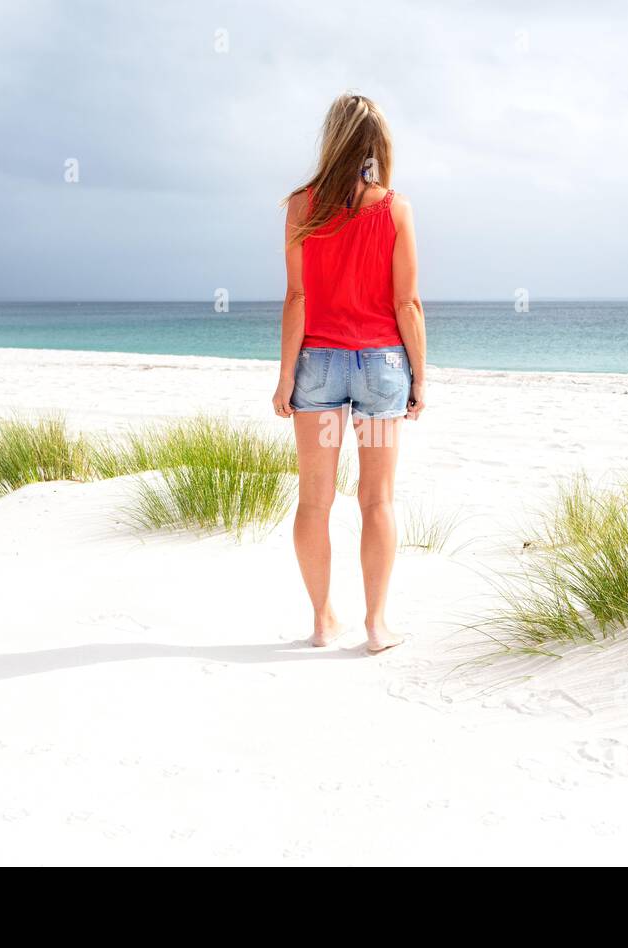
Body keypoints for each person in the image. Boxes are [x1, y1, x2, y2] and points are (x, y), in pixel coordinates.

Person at [271, 92, 427, 654]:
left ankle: (321, 621)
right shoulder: (396, 209)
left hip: (317, 366)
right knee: (376, 500)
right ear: (377, 144)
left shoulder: (299, 206)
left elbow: (296, 297)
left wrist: (285, 377)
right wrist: (420, 377)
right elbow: (407, 303)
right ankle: (377, 626)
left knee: (315, 499)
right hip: (382, 368)